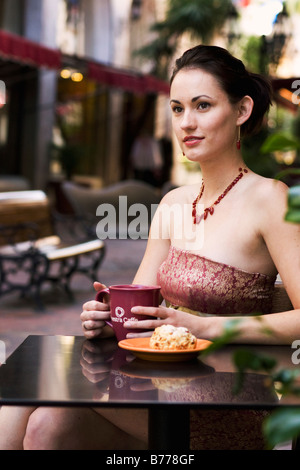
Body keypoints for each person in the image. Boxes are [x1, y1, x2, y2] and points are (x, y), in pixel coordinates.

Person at [1, 44, 300, 450]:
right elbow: (140, 304)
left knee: (32, 386)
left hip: (228, 399)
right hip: (154, 384)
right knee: (46, 426)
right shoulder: (174, 203)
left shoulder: (271, 199)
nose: (187, 123)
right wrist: (110, 319)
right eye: (177, 109)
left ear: (242, 111)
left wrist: (208, 327)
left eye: (203, 105)